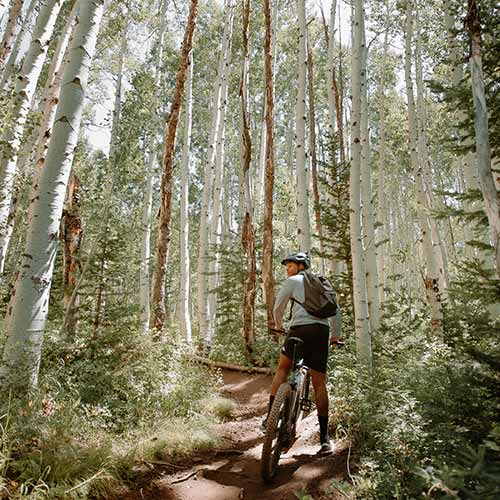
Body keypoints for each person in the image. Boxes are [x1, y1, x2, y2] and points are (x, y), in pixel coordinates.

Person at [265, 252, 337, 454]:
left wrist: (279, 326)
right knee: (319, 383)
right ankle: (324, 440)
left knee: (283, 369)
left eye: (289, 266)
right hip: (320, 332)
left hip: (299, 330)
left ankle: (270, 418)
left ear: (300, 266)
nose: (287, 269)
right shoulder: (322, 282)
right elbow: (335, 311)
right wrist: (335, 336)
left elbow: (278, 307)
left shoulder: (292, 281)